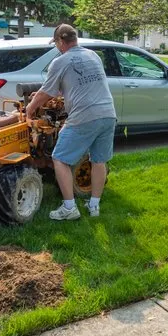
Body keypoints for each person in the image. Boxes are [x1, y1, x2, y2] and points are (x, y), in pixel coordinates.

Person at [25, 25, 117, 220]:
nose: (57, 46)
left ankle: (69, 208)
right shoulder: (93, 55)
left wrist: (30, 108)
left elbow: (46, 92)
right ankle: (94, 206)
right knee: (99, 160)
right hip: (108, 113)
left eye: (56, 43)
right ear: (75, 38)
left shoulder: (60, 61)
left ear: (60, 41)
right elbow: (79, 84)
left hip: (85, 116)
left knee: (59, 158)